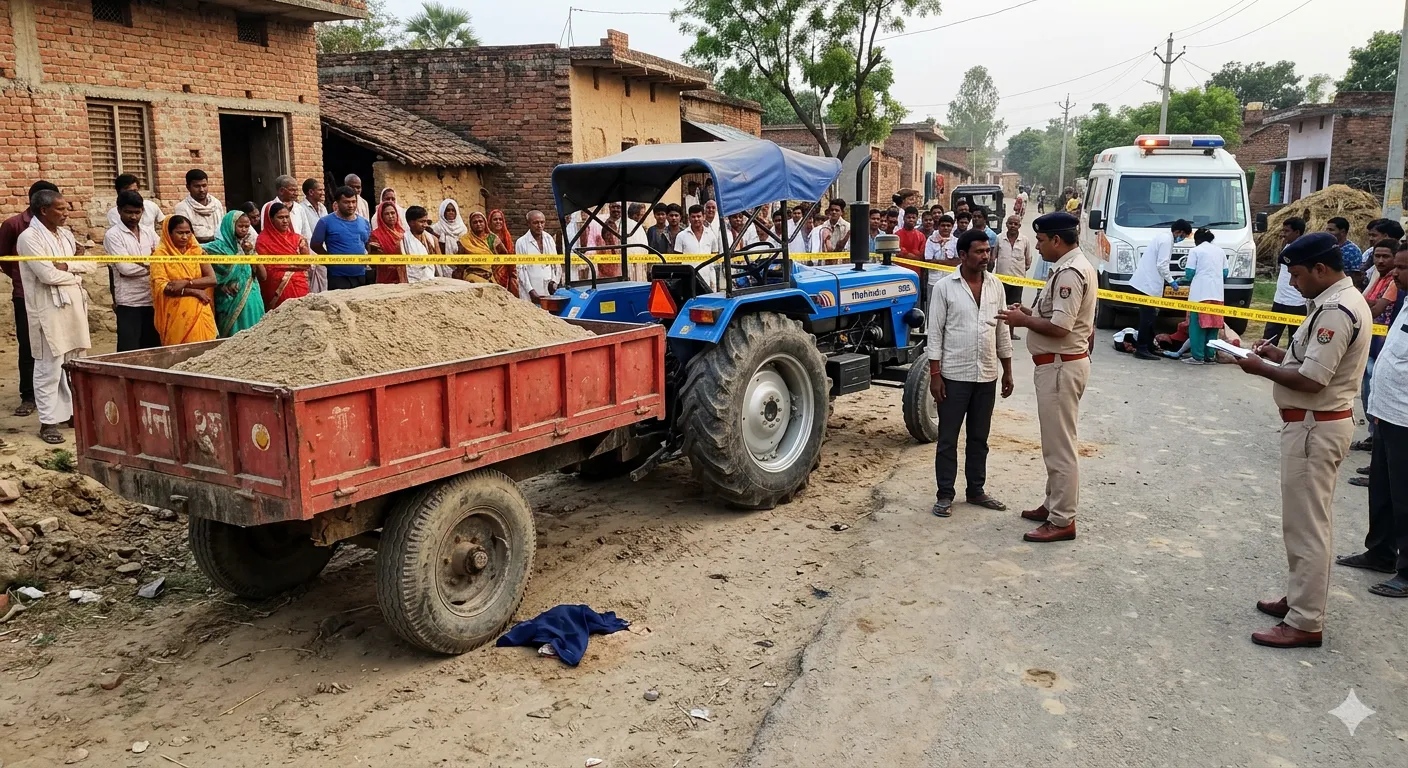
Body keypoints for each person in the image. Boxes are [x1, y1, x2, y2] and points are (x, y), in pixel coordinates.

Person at [1234, 232, 1372, 649]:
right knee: (1303, 522)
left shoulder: (1335, 310)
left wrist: (1259, 368)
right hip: (1314, 424)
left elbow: (1313, 380)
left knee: (1307, 526)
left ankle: (1306, 620)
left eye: (1297, 275)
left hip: (1316, 426)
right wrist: (1278, 358)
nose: (1293, 283)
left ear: (1321, 269)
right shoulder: (1332, 305)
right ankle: (1299, 600)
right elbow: (1310, 363)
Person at [997, 212, 1098, 543]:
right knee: (1055, 441)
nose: (1037, 247)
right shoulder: (1074, 266)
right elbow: (1061, 318)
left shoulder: (1070, 272)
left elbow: (1060, 327)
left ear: (1057, 240)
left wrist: (1024, 323)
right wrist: (1027, 313)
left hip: (1060, 365)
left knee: (1060, 446)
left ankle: (1062, 518)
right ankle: (1053, 503)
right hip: (1061, 363)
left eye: (1040, 241)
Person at [927, 228, 1015, 518]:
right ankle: (945, 495)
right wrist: (935, 374)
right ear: (962, 255)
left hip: (986, 375)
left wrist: (1008, 370)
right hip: (953, 375)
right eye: (979, 252)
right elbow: (934, 333)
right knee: (948, 439)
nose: (985, 257)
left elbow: (1002, 331)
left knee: (979, 438)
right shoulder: (945, 287)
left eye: (987, 251)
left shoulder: (996, 286)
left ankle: (976, 490)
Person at [1336, 245, 1408, 596]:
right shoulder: (1404, 301)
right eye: (1395, 267)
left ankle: (1406, 572)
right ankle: (1380, 551)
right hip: (1387, 412)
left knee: (1405, 495)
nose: (1394, 274)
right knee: (1382, 489)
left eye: (1403, 268)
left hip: (1406, 418)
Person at [17, 190, 93, 444]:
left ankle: (73, 413)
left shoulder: (66, 235)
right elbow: (47, 276)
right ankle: (48, 422)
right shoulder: (29, 238)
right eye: (60, 209)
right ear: (43, 211)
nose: (66, 213)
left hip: (72, 305)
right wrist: (76, 275)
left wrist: (70, 267)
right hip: (47, 310)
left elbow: (92, 264)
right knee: (49, 366)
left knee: (74, 361)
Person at [0, 181, 59, 416]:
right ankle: (28, 396)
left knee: (56, 346)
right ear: (38, 203)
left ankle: (58, 395)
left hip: (55, 294)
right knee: (28, 345)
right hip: (25, 294)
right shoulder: (14, 225)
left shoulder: (58, 227)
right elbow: (4, 259)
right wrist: (20, 278)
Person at [1351, 240, 1403, 464]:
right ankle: (1374, 441)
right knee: (1369, 389)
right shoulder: (1378, 277)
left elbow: (1374, 309)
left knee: (1374, 387)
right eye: (1377, 256)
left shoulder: (1394, 283)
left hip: (1383, 345)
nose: (1382, 261)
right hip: (1373, 343)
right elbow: (1365, 304)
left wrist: (1366, 304)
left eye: (1386, 257)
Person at [103, 189, 161, 352]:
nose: (133, 217)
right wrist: (152, 265)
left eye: (137, 212)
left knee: (152, 348)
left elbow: (162, 257)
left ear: (143, 210)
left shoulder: (149, 232)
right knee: (129, 349)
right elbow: (125, 268)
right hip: (129, 301)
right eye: (128, 212)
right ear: (119, 210)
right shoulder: (113, 235)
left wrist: (147, 264)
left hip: (152, 298)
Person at [150, 216, 218, 346]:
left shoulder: (197, 252)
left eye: (188, 232)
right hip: (176, 314)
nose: (184, 237)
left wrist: (186, 283)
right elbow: (164, 287)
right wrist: (194, 292)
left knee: (206, 349)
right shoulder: (160, 255)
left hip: (201, 310)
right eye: (180, 233)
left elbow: (212, 279)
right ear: (169, 233)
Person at [1129, 219, 1190, 361]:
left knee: (1150, 318)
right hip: (1147, 285)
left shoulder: (1162, 237)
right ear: (1179, 232)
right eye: (1183, 236)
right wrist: (1172, 282)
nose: (1182, 239)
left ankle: (1149, 346)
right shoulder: (1166, 241)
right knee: (1147, 319)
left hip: (1147, 283)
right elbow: (1162, 265)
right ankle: (1142, 349)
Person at [204, 211, 265, 337]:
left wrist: (252, 254)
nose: (244, 230)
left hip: (253, 299)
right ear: (230, 226)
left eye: (247, 226)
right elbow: (195, 250)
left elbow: (263, 276)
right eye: (240, 226)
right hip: (229, 301)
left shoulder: (247, 247)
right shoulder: (216, 248)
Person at [254, 201, 311, 310]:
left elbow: (306, 264)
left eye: (287, 217)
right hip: (276, 288)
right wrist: (294, 266)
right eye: (280, 217)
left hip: (300, 285)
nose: (285, 221)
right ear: (271, 219)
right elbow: (266, 269)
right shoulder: (263, 240)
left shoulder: (297, 238)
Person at [312, 186, 372, 290]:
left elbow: (368, 244)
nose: (351, 205)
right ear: (337, 203)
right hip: (337, 276)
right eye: (346, 202)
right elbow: (315, 245)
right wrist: (330, 261)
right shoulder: (325, 222)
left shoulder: (364, 222)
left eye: (353, 202)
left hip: (361, 274)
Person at [1181, 227, 1226, 365]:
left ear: (1197, 240)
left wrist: (1181, 280)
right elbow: (1225, 273)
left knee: (1197, 328)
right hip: (1217, 294)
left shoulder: (1195, 251)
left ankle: (1197, 357)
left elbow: (1189, 274)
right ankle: (1210, 356)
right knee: (1213, 327)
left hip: (1199, 295)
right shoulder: (1220, 251)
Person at [1264, 217, 1309, 347]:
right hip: (1280, 299)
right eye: (1283, 230)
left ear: (1298, 232)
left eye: (1287, 231)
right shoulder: (1287, 246)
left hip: (1297, 301)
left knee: (1295, 339)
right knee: (1270, 335)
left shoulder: (1304, 250)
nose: (1283, 234)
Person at [994, 214, 1033, 326]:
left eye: (1015, 224)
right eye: (1010, 223)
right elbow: (994, 256)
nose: (1012, 226)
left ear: (1019, 226)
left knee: (1015, 307)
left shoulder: (1024, 240)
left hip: (1018, 280)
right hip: (1002, 279)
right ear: (1006, 224)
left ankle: (1011, 332)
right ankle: (1000, 330)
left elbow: (1028, 260)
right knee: (1001, 305)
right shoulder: (999, 238)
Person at [515, 210, 560, 304]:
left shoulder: (549, 239)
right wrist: (530, 290)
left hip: (549, 288)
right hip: (531, 290)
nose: (539, 225)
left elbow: (556, 264)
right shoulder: (521, 242)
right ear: (528, 224)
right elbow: (521, 270)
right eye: (535, 223)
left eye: (542, 222)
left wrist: (555, 281)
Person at [675, 204, 722, 290]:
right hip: (688, 280)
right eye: (693, 217)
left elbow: (714, 261)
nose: (696, 219)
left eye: (699, 216)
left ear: (704, 217)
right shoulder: (681, 236)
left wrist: (713, 282)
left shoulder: (711, 235)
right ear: (689, 218)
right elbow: (677, 262)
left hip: (708, 280)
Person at [172, 169, 225, 243]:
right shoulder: (182, 208)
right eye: (197, 186)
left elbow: (223, 229)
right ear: (188, 187)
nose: (201, 190)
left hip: (219, 247)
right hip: (195, 249)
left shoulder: (216, 204)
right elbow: (185, 236)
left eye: (204, 185)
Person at [299, 179, 329, 293]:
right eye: (320, 190)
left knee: (324, 288)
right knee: (312, 291)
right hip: (310, 255)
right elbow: (304, 233)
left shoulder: (323, 208)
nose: (323, 192)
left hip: (323, 253)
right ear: (311, 192)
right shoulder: (301, 208)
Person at [457, 211, 504, 283]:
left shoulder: (492, 238)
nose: (478, 224)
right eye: (475, 222)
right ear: (470, 225)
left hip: (490, 274)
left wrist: (497, 270)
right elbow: (460, 265)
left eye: (480, 221)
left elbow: (505, 254)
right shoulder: (464, 241)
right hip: (472, 275)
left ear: (485, 223)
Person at [369, 201, 407, 284]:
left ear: (397, 214)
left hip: (403, 276)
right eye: (387, 214)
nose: (391, 216)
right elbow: (375, 260)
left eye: (393, 213)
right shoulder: (375, 235)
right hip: (386, 277)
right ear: (381, 217)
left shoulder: (402, 233)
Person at [400, 206, 440, 284]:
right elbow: (401, 268)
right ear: (411, 222)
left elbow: (439, 262)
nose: (425, 225)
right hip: (412, 283)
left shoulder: (432, 239)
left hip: (431, 281)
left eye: (426, 221)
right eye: (421, 222)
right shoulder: (402, 241)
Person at [487, 209, 519, 294]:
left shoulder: (506, 237)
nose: (498, 222)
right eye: (495, 219)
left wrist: (513, 275)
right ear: (490, 221)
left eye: (500, 219)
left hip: (505, 274)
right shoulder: (486, 237)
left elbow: (511, 257)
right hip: (489, 273)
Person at [1327, 217, 1364, 287]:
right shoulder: (1328, 247)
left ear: (1342, 232)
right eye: (1327, 229)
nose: (1328, 232)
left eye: (1331, 230)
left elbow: (1356, 276)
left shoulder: (1352, 251)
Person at [923, 214, 959, 285]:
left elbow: (958, 261)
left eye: (948, 226)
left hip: (950, 280)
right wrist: (948, 262)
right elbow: (928, 261)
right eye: (943, 225)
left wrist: (938, 262)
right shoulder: (930, 240)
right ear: (938, 227)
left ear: (952, 227)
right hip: (934, 280)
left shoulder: (956, 241)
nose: (946, 228)